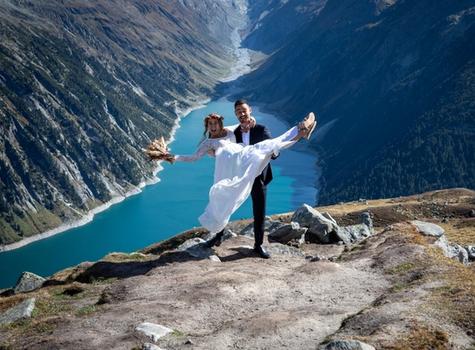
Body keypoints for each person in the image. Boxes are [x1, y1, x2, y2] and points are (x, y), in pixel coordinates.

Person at [145, 110, 316, 258]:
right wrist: (172, 157)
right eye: (210, 124)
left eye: (215, 123)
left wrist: (252, 119)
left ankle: (300, 130)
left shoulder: (229, 131)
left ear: (220, 124)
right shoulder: (207, 143)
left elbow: (246, 121)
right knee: (221, 202)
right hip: (227, 173)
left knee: (268, 145)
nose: (212, 126)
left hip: (245, 158)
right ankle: (218, 236)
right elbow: (193, 158)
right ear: (207, 126)